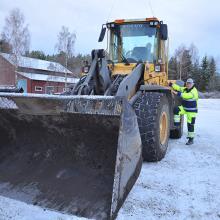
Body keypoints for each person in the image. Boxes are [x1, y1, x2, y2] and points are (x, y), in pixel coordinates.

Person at [169, 78, 199, 145]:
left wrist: (176, 93)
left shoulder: (194, 91)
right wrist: (172, 84)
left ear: (193, 84)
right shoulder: (185, 89)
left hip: (191, 111)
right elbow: (179, 88)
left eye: (190, 83)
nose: (188, 84)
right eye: (187, 83)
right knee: (176, 109)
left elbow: (187, 96)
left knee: (190, 124)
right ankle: (176, 124)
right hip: (185, 109)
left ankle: (191, 139)